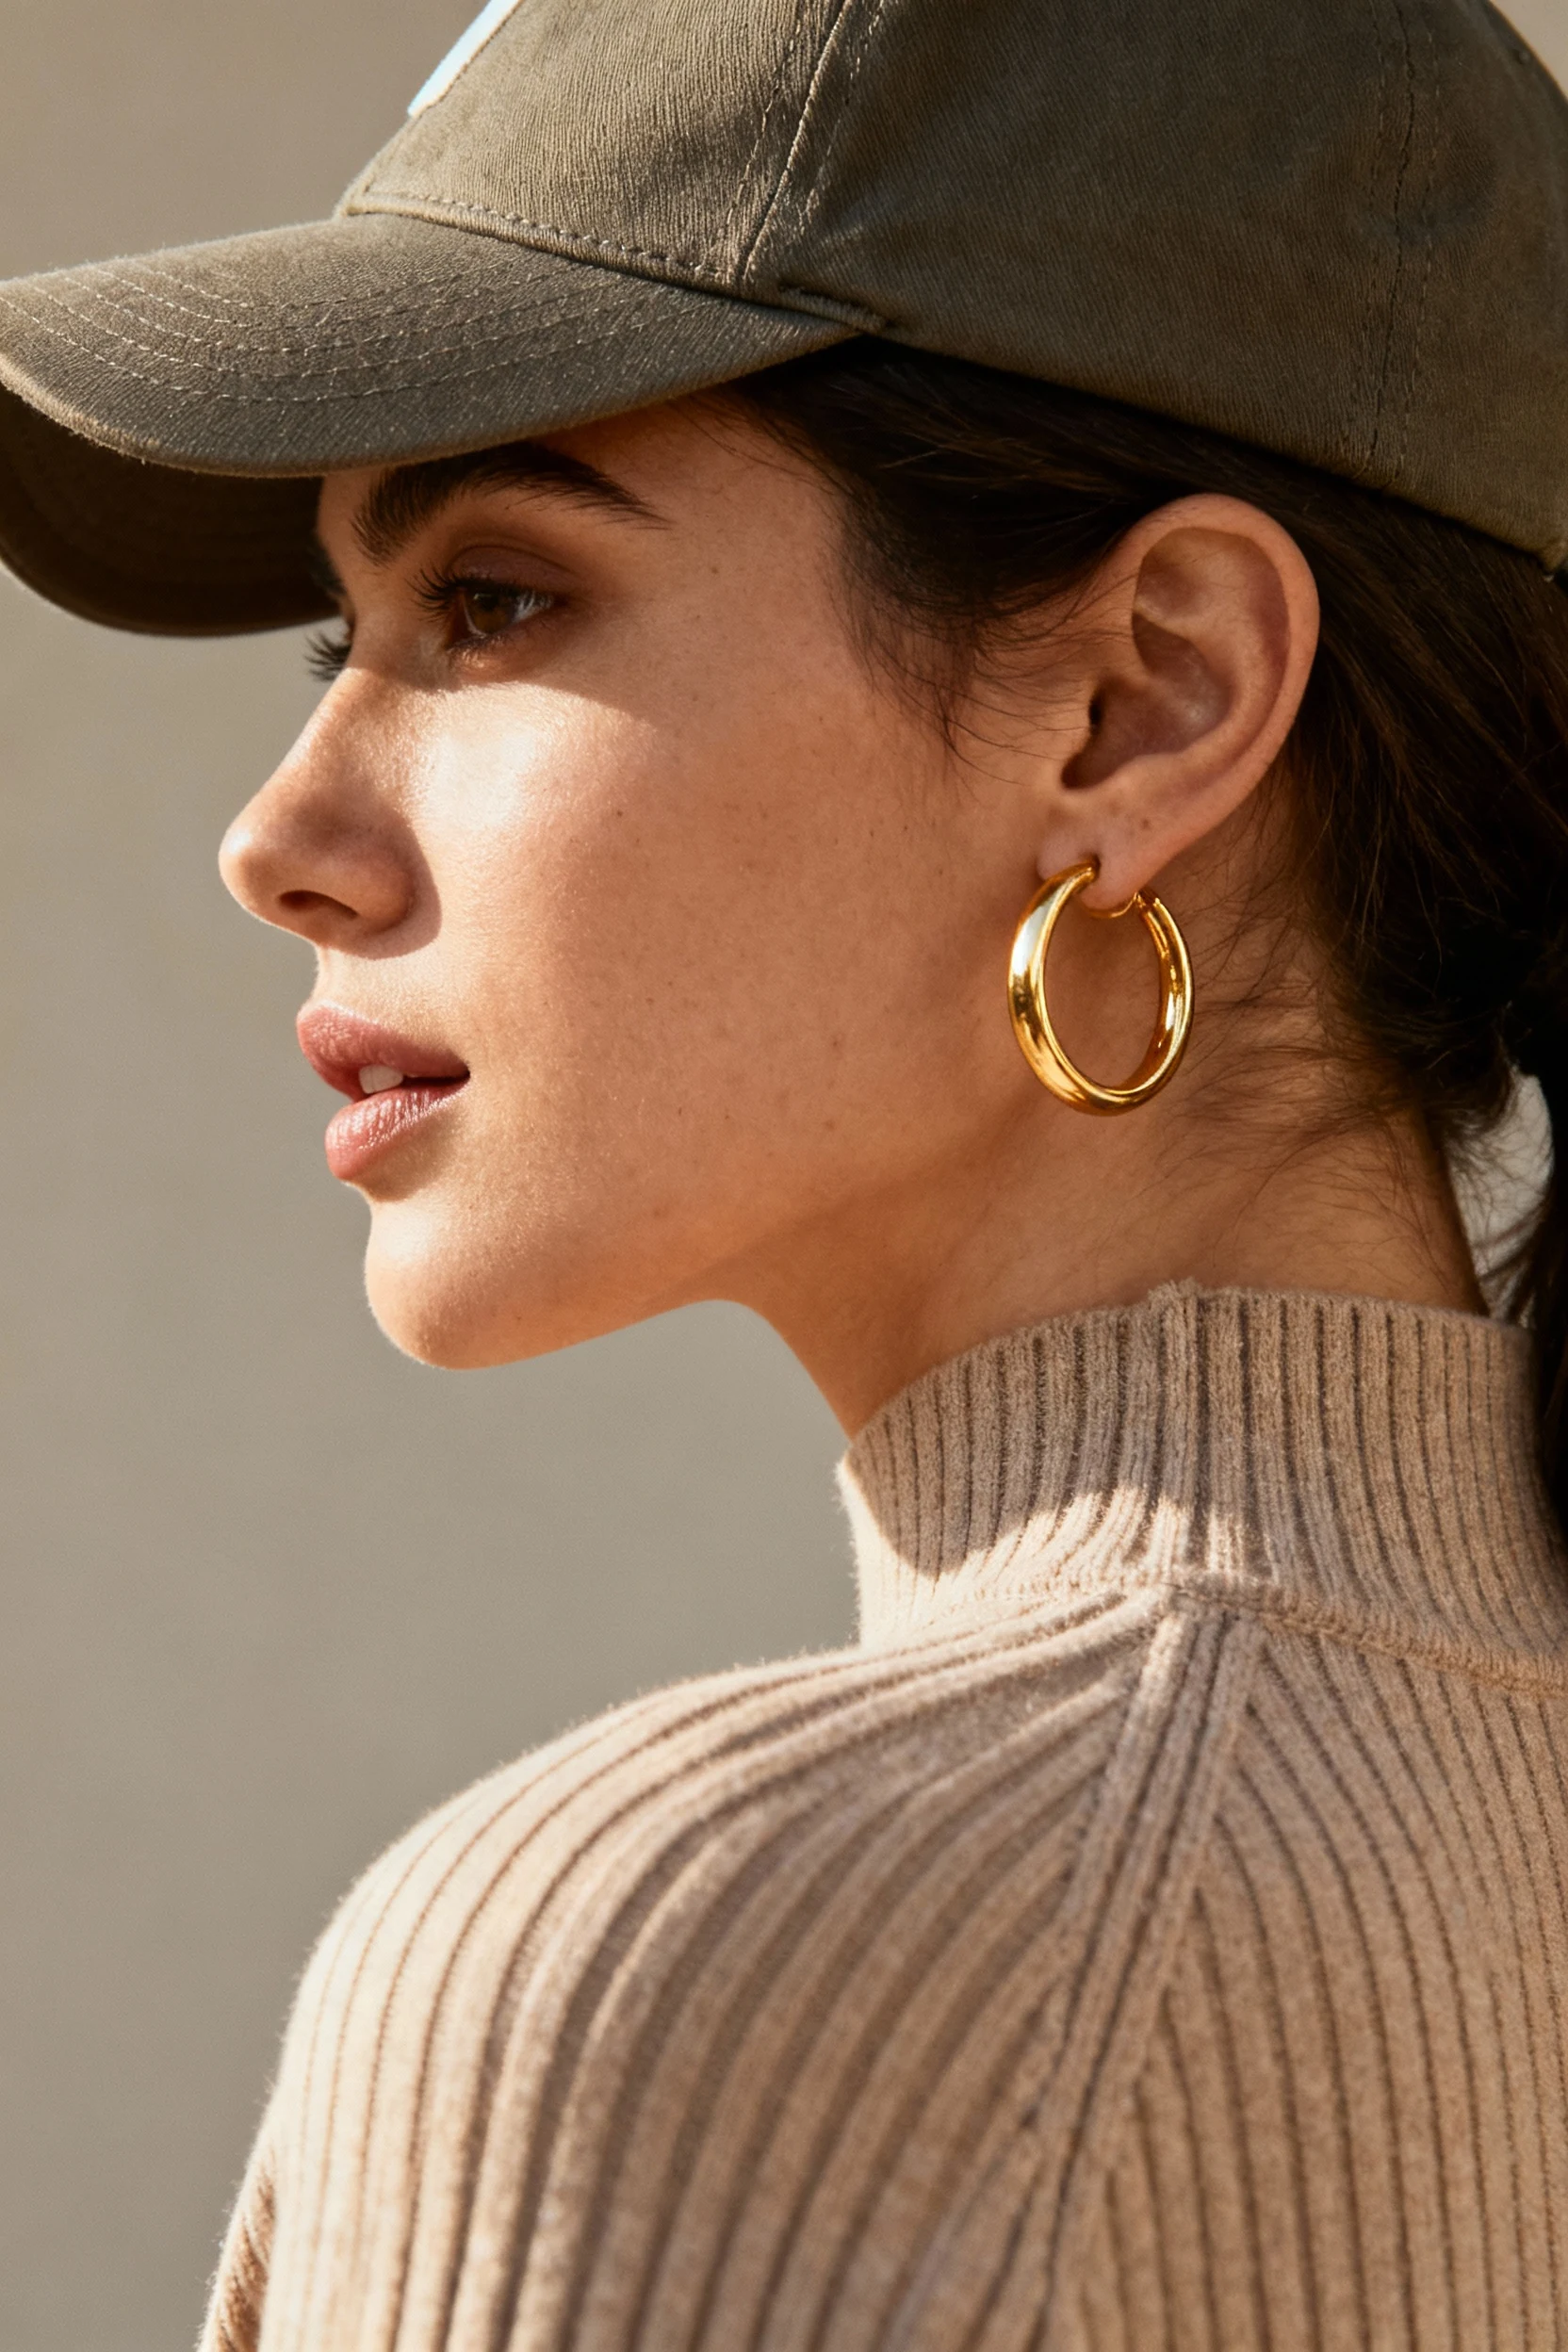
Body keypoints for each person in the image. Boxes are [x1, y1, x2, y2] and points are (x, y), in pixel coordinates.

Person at [3, 0, 1567, 2342]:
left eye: (495, 600)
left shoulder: (695, 1959)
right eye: (346, 632)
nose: (280, 842)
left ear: (1142, 697)